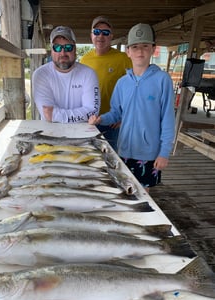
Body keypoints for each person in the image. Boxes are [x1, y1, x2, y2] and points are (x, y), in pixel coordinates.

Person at [88, 23, 175, 192]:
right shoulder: (122, 83)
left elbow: (168, 119)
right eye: (135, 47)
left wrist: (164, 152)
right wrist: (101, 119)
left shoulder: (162, 80)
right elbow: (116, 113)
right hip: (125, 148)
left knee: (144, 193)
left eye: (145, 46)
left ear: (153, 49)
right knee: (123, 189)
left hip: (149, 153)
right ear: (128, 51)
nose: (140, 51)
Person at [80, 16, 132, 151]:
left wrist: (124, 116)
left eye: (105, 33)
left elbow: (133, 89)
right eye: (96, 32)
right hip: (89, 120)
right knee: (89, 153)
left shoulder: (123, 59)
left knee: (110, 154)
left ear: (111, 36)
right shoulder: (85, 59)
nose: (100, 36)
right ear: (91, 35)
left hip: (111, 121)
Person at [32, 26, 100, 123]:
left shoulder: (89, 74)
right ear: (51, 50)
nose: (63, 52)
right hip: (51, 133)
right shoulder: (40, 74)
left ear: (75, 49)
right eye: (57, 47)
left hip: (82, 134)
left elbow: (92, 112)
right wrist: (81, 115)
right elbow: (46, 114)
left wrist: (56, 116)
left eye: (68, 47)